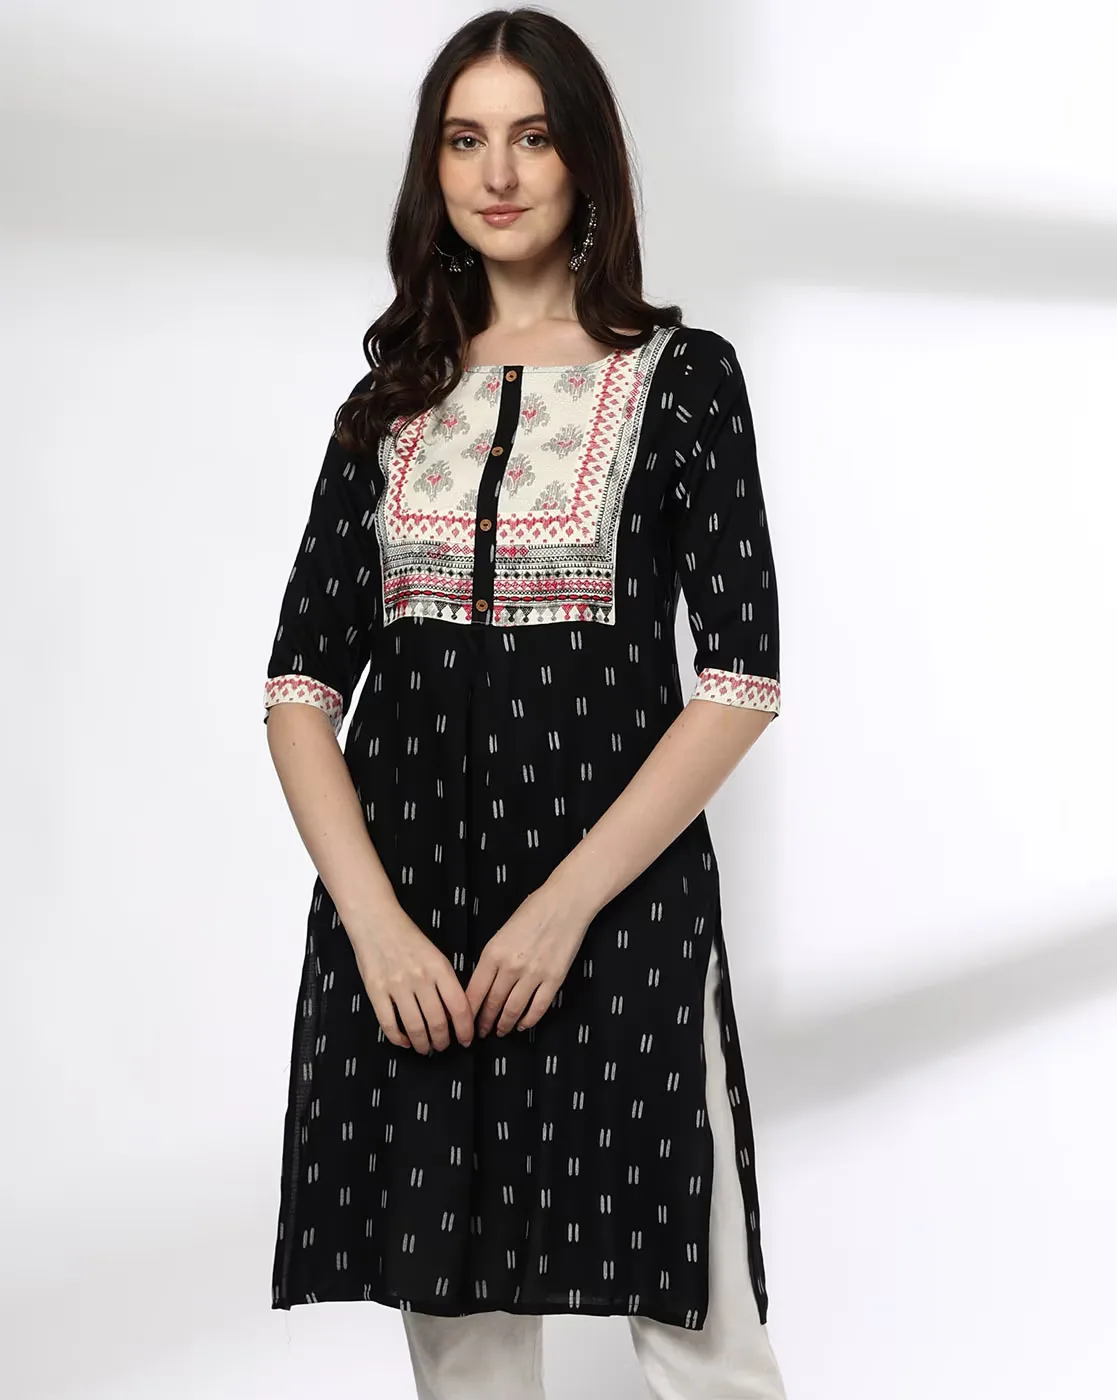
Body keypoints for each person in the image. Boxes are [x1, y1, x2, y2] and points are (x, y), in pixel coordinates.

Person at [261, 8, 787, 1398]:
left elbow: (740, 681)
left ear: (584, 158)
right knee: (466, 1355)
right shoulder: (390, 404)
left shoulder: (684, 381)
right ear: (431, 170)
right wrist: (375, 928)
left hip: (619, 910)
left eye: (533, 136)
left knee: (704, 1336)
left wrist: (565, 910)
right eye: (464, 140)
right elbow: (301, 687)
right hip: (414, 927)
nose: (497, 174)